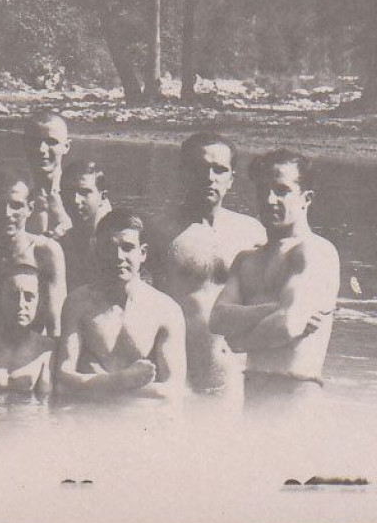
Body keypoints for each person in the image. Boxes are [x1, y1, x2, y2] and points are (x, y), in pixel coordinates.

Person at [211, 150, 340, 413]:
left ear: (307, 198)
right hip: (254, 395)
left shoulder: (314, 251)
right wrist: (272, 309)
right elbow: (217, 319)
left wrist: (238, 342)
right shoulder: (246, 259)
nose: (270, 200)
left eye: (282, 190)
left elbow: (288, 325)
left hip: (296, 397)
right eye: (263, 190)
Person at [153, 132, 267, 397]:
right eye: (199, 168)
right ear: (183, 172)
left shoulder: (252, 233)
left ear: (231, 179)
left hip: (232, 372)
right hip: (177, 372)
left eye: (219, 170)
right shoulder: (158, 231)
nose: (209, 178)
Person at [55, 209, 187, 400]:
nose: (117, 256)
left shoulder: (166, 310)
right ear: (97, 252)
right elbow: (62, 380)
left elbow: (173, 390)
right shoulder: (78, 303)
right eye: (109, 247)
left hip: (143, 423)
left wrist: (98, 384)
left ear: (143, 253)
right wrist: (121, 380)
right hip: (90, 420)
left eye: (127, 247)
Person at [0, 172, 67, 336]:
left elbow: (55, 324)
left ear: (30, 208)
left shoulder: (45, 252)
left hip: (31, 351)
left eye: (16, 206)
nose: (7, 213)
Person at [0, 266, 53, 394]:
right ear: (1, 298)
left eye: (29, 297)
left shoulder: (46, 348)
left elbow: (44, 402)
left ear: (39, 302)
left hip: (27, 413)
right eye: (13, 296)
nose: (21, 304)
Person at [59, 160, 112, 292]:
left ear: (103, 196)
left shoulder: (116, 243)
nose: (75, 200)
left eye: (84, 192)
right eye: (69, 192)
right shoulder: (62, 242)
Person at [24, 110, 74, 238]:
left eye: (51, 142)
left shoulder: (83, 191)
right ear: (24, 144)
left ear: (66, 146)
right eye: (34, 141)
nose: (41, 149)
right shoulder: (13, 190)